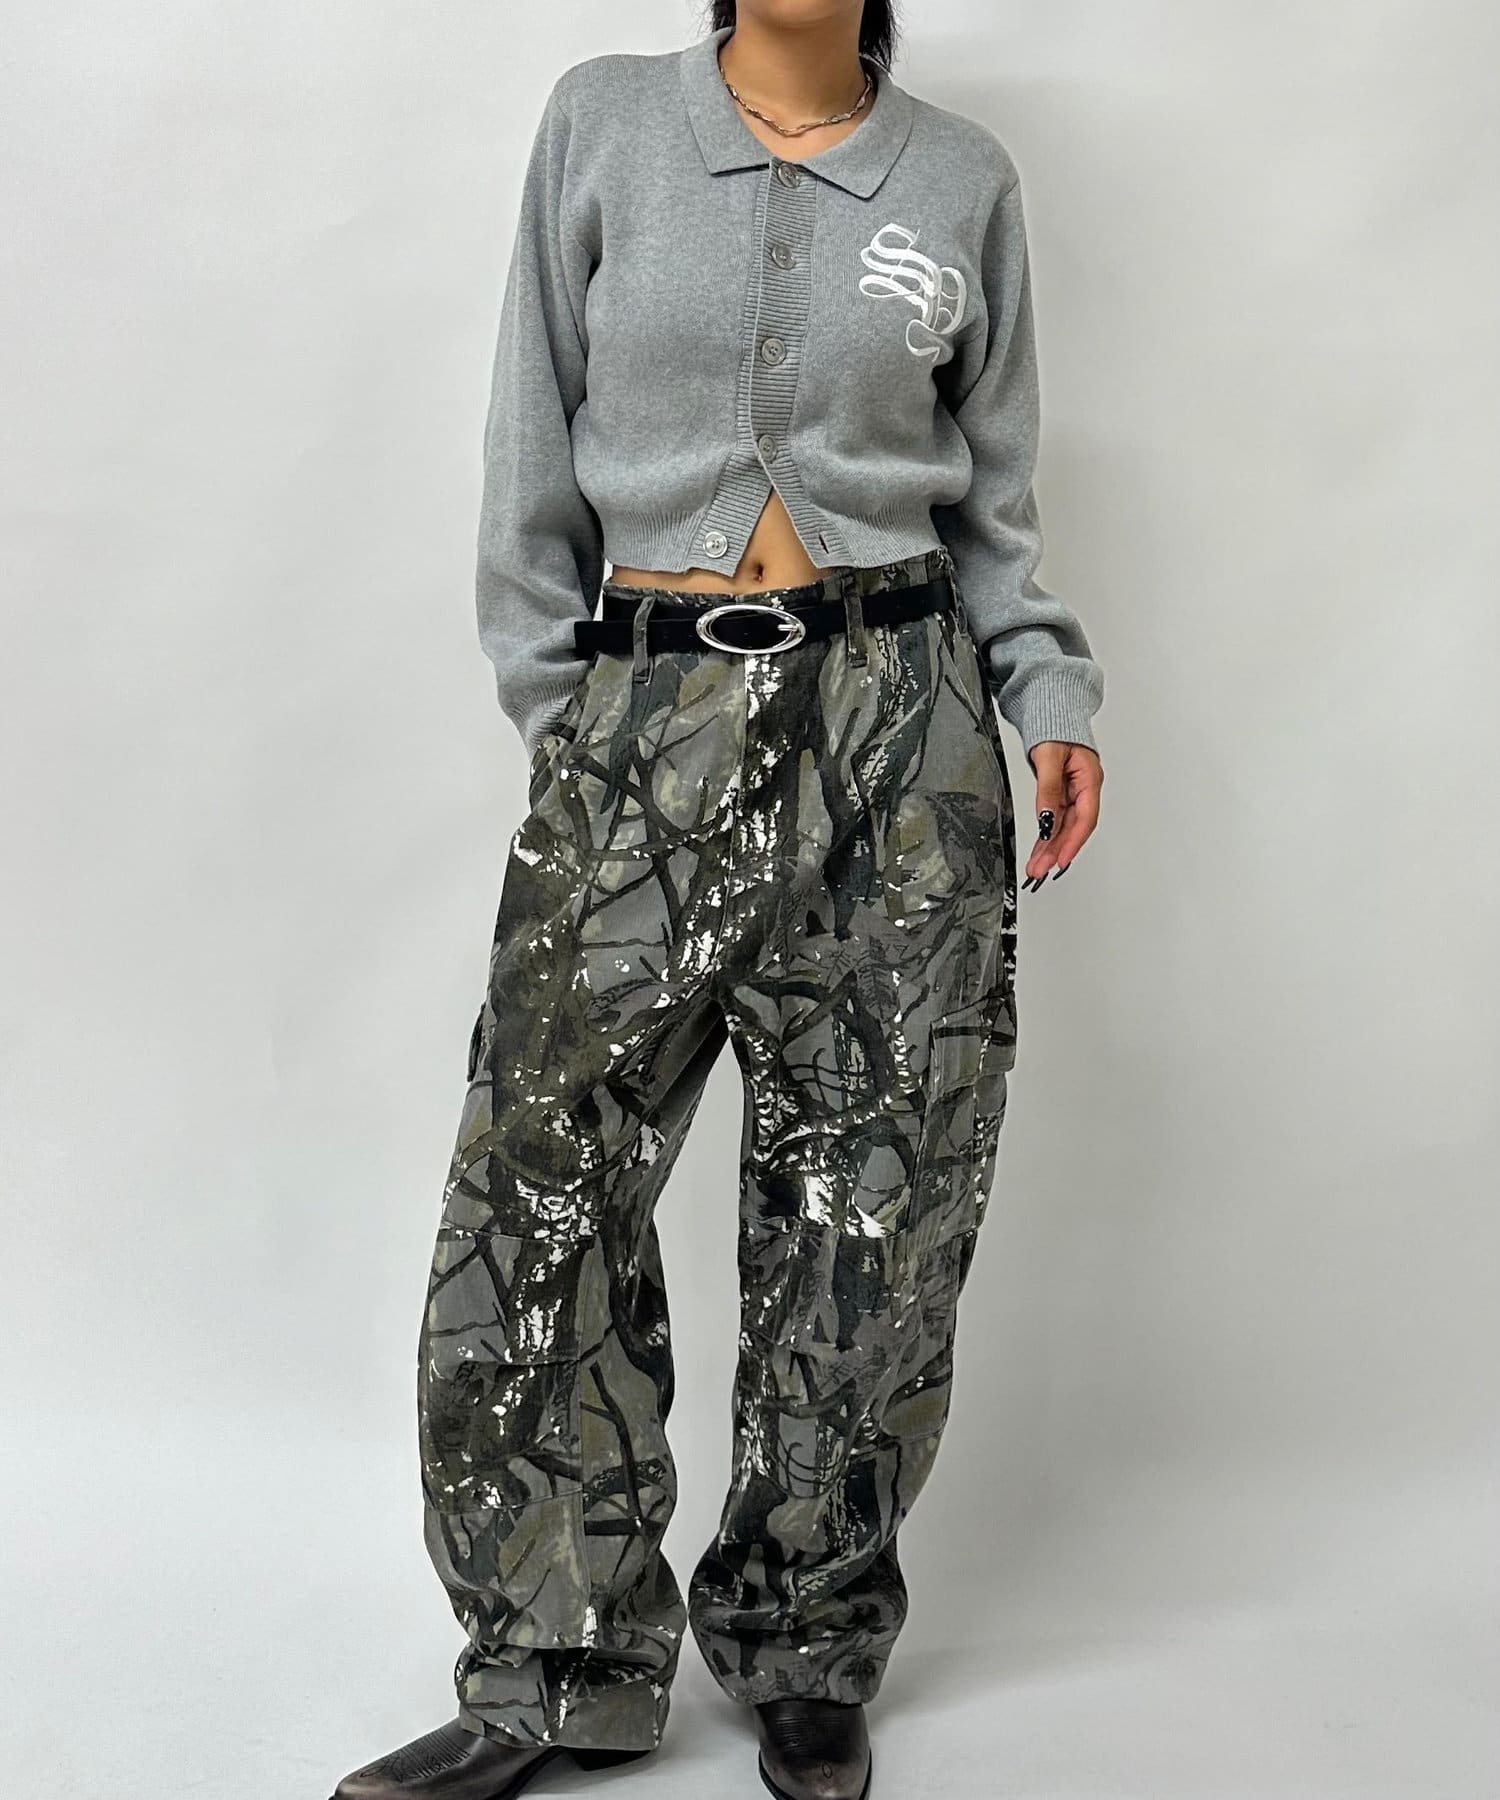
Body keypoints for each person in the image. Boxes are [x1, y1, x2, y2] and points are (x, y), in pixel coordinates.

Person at [330, 3, 1104, 1796]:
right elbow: (532, 434)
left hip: (905, 727)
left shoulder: (963, 180)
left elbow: (996, 504)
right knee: (539, 1185)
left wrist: (1047, 695)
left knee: (874, 1207)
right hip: (644, 711)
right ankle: (554, 1665)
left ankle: (807, 1641)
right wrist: (574, 712)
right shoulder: (605, 124)